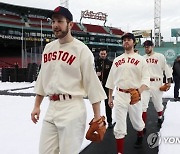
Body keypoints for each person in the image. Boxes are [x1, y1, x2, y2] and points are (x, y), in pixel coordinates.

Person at [31, 6, 107, 154]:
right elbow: (42, 79)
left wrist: (97, 117)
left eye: (60, 21)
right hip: (52, 107)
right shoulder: (48, 48)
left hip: (72, 108)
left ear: (70, 24)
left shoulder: (81, 50)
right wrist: (37, 105)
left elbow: (92, 84)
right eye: (53, 21)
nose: (55, 25)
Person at [106, 33, 150, 154]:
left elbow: (146, 79)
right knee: (119, 126)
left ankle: (140, 133)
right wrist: (110, 97)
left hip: (134, 95)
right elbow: (111, 80)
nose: (126, 42)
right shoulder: (117, 60)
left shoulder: (141, 60)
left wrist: (139, 92)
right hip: (120, 94)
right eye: (124, 40)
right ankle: (120, 152)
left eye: (129, 39)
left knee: (137, 123)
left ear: (134, 42)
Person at [141, 40, 172, 129]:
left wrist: (169, 82)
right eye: (145, 47)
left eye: (148, 46)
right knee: (143, 106)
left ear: (152, 46)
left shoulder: (160, 56)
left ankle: (160, 117)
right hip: (146, 83)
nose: (146, 48)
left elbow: (167, 69)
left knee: (158, 104)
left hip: (157, 83)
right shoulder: (142, 58)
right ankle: (142, 126)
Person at [95, 48, 113, 128]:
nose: (102, 55)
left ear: (106, 54)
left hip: (106, 86)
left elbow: (111, 76)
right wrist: (96, 74)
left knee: (107, 105)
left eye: (104, 54)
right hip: (97, 87)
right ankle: (97, 121)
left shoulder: (110, 63)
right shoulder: (95, 62)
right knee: (96, 105)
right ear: (99, 54)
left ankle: (109, 122)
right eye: (101, 54)